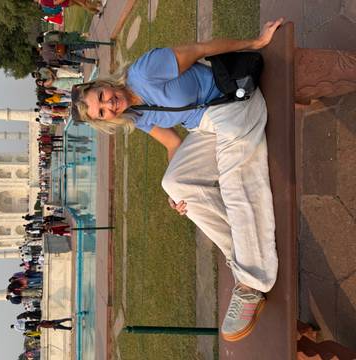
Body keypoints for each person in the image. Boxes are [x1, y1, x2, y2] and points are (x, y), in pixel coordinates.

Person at [71, 18, 284, 342]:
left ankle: (251, 283)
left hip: (233, 104)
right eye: (101, 111)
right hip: (207, 128)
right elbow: (173, 144)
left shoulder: (145, 71)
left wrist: (255, 42)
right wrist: (178, 192)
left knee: (236, 183)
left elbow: (201, 49)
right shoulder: (137, 116)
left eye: (101, 96)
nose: (108, 104)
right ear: (106, 121)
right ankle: (242, 253)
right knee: (174, 184)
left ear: (104, 84)